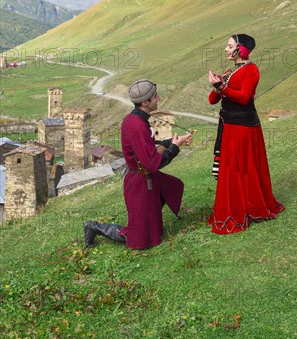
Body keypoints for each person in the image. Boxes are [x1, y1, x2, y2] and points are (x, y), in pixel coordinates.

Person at [84, 79, 192, 249]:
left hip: (145, 180)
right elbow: (152, 163)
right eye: (155, 96)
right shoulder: (136, 125)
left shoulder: (136, 119)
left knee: (169, 196)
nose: (158, 98)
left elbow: (148, 147)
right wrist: (175, 149)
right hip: (140, 184)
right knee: (139, 239)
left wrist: (172, 142)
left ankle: (148, 221)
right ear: (145, 102)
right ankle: (94, 227)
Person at [208, 34, 284, 235]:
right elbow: (212, 100)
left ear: (240, 49)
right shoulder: (230, 71)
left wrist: (222, 87)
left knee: (245, 167)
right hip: (230, 126)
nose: (225, 49)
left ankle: (251, 206)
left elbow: (244, 98)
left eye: (229, 45)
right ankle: (239, 206)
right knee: (232, 167)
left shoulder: (251, 70)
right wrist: (218, 85)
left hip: (244, 127)